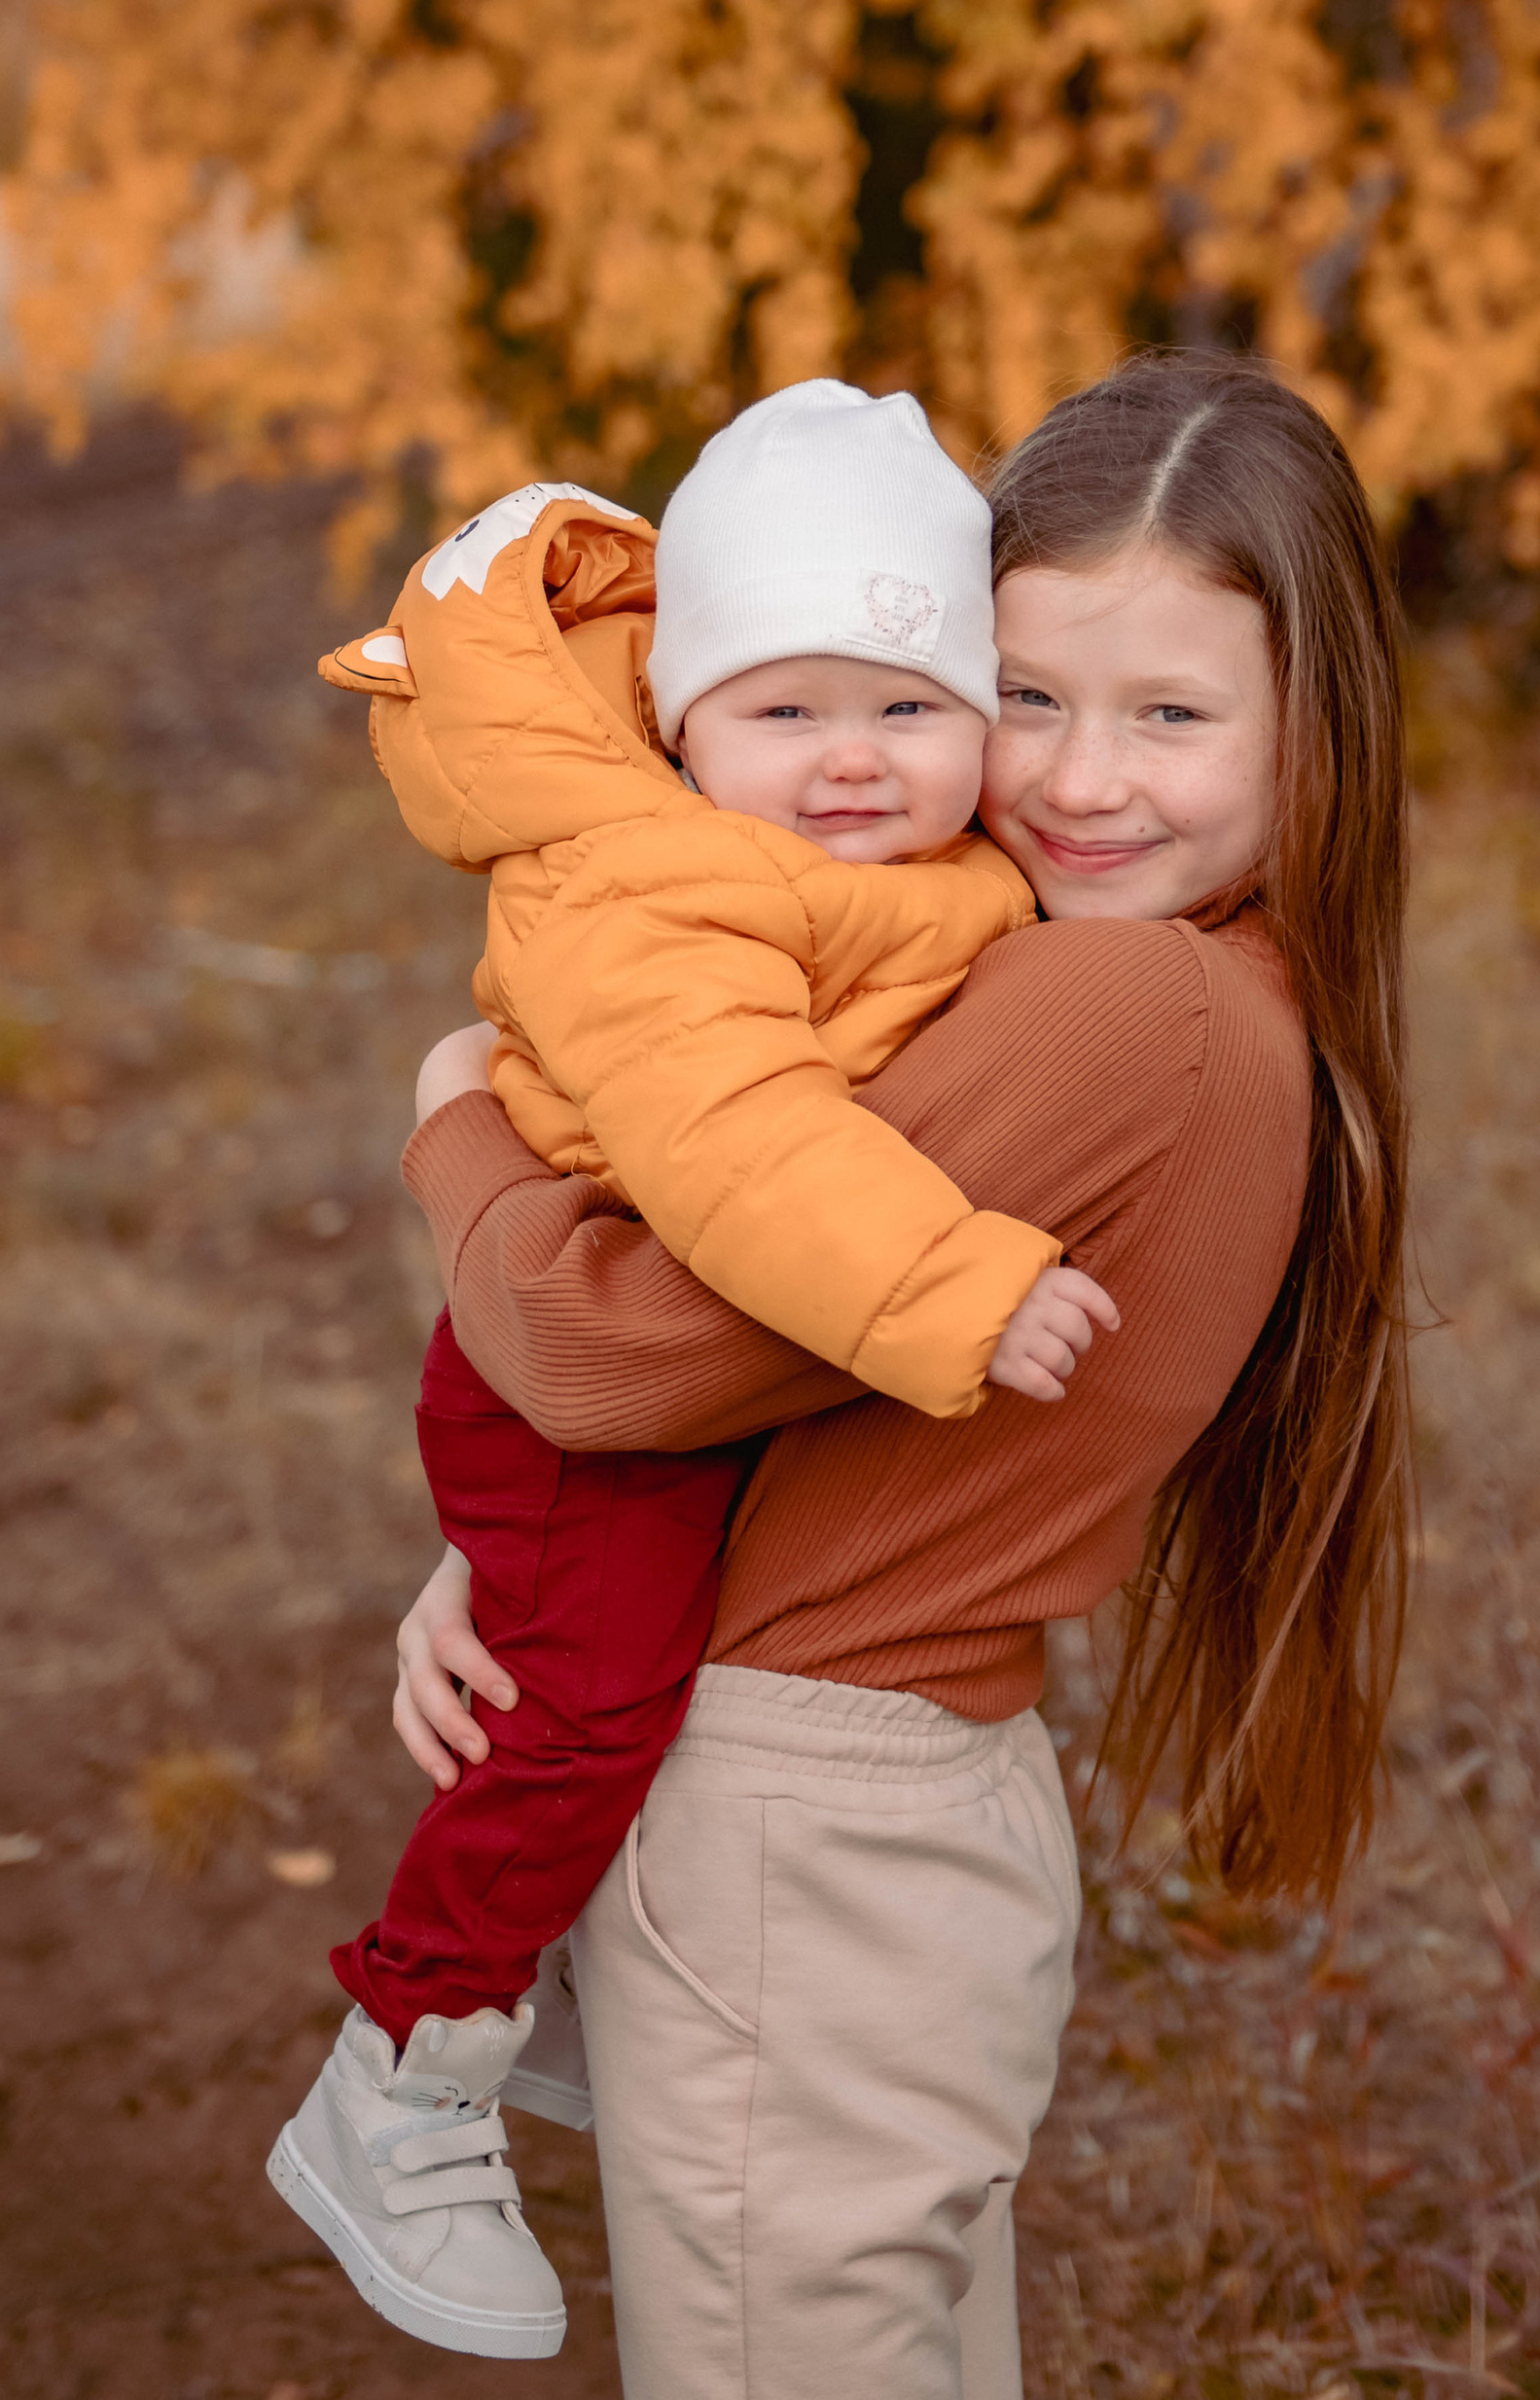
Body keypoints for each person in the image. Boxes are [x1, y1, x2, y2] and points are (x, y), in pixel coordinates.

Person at [389, 350, 1413, 2400]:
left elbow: (611, 1344)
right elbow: (765, 1360)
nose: (1079, 781)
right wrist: (512, 1563)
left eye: (1174, 715)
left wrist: (449, 1116)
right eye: (1024, 695)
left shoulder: (1120, 1002)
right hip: (884, 1810)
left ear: (1319, 741)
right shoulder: (1187, 987)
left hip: (805, 1823)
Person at [267, 380, 1117, 2361]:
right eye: (786, 709)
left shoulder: (914, 866)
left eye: (910, 708)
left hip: (707, 1335)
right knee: (586, 1697)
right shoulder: (659, 884)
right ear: (679, 722)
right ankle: (404, 2058)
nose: (850, 761)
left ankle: (548, 1951)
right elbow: (742, 1142)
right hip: (592, 1341)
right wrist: (949, 1286)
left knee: (642, 1661)